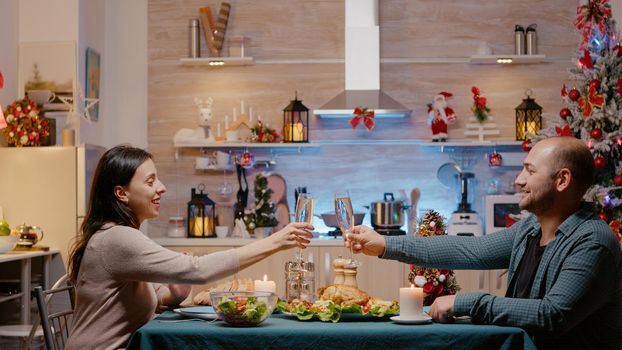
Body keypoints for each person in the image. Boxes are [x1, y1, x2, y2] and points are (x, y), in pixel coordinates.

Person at [345, 136, 622, 350]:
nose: (518, 180)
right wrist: (384, 244)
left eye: (529, 171)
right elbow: (470, 249)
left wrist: (466, 302)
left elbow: (551, 315)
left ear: (562, 180)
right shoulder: (530, 230)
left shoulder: (593, 242)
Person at [66, 145, 314, 350]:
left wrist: (174, 294)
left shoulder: (118, 235)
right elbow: (198, 270)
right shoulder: (118, 239)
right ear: (122, 193)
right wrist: (275, 241)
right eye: (151, 182)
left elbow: (151, 297)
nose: (161, 188)